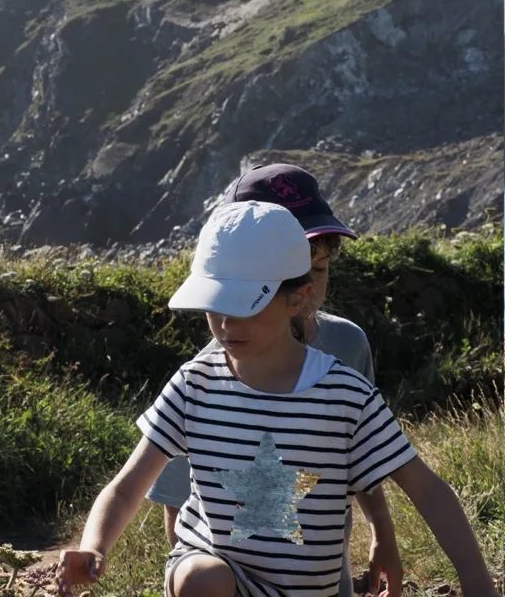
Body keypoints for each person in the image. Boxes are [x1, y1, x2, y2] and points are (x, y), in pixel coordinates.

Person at [56, 201, 498, 597]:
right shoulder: (195, 384)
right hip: (213, 571)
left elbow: (427, 490)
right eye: (215, 305)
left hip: (310, 589)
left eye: (246, 304)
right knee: (201, 579)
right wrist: (93, 547)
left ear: (298, 297)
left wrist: (479, 585)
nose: (227, 323)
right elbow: (129, 484)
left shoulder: (344, 395)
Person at [146, 163, 398, 597]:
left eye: (317, 269)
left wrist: (382, 532)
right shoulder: (211, 373)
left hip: (317, 577)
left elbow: (362, 459)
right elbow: (179, 503)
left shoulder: (347, 344)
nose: (308, 284)